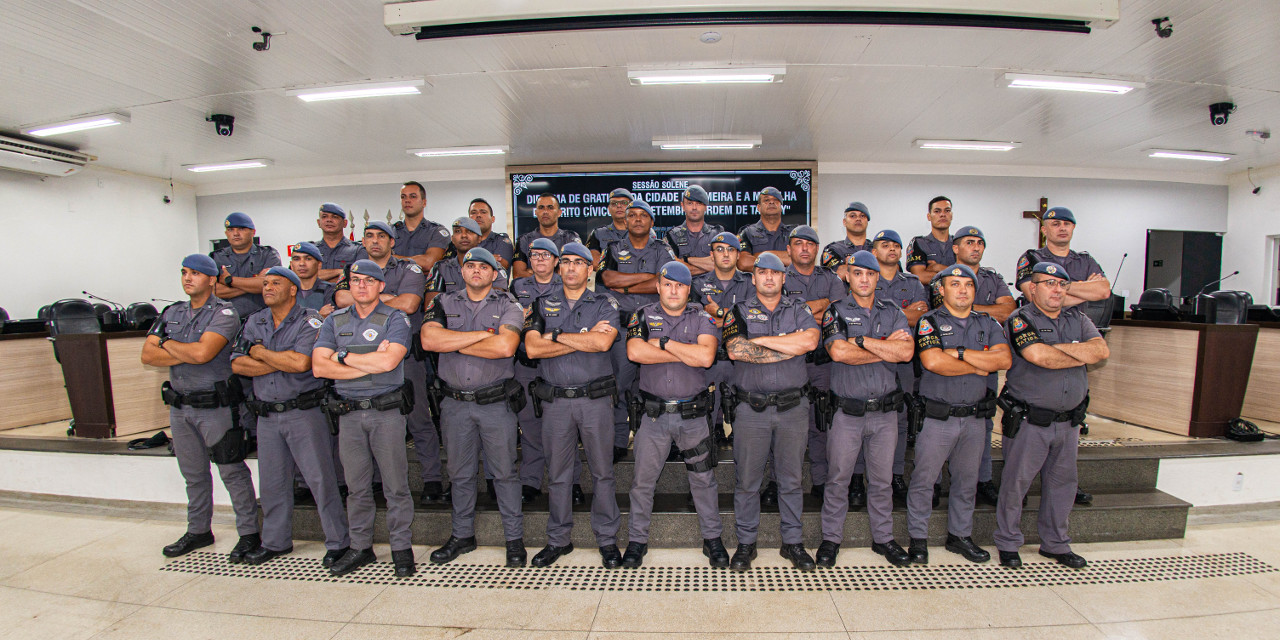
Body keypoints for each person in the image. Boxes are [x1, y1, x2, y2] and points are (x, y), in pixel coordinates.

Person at [231, 267, 349, 567]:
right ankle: (275, 542)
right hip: (267, 415)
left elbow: (301, 363)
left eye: (276, 283)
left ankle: (337, 542)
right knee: (272, 483)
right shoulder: (255, 320)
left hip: (304, 413)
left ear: (293, 289)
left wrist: (259, 352)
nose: (267, 287)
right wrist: (277, 359)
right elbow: (238, 364)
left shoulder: (310, 320)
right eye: (266, 283)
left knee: (320, 480)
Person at [143, 254, 259, 561]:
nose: (187, 278)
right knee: (193, 474)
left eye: (195, 273)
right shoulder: (171, 311)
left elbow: (203, 353)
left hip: (215, 407)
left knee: (231, 470)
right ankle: (198, 530)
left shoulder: (225, 313)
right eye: (183, 272)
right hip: (180, 408)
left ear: (211, 279)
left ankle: (248, 533)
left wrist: (166, 344)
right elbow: (147, 355)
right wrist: (184, 351)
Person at [994, 261, 1109, 569]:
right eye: (1048, 283)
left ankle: (1055, 543)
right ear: (1033, 287)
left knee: (1063, 484)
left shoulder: (1079, 318)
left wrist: (1058, 350)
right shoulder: (1020, 319)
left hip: (1069, 422)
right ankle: (1007, 542)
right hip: (1030, 421)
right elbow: (1037, 356)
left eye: (1061, 284)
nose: (1056, 289)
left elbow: (1100, 352)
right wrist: (1074, 350)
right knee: (1016, 483)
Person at [421, 248, 528, 567]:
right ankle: (462, 535)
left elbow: (505, 346)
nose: (477, 270)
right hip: (454, 404)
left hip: (495, 403)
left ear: (495, 274)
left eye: (485, 266)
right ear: (462, 271)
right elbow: (428, 341)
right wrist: (482, 335)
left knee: (505, 473)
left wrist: (452, 338)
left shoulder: (508, 303)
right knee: (460, 473)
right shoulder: (442, 302)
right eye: (471, 266)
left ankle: (514, 539)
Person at [312, 259, 416, 577]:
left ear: (381, 286)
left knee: (396, 487)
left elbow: (389, 363)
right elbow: (319, 367)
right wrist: (368, 358)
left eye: (369, 281)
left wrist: (342, 355)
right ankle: (360, 547)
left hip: (385, 414)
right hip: (349, 415)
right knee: (357, 488)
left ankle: (401, 549)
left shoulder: (395, 318)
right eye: (355, 280)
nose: (361, 285)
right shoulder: (335, 320)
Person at [523, 242, 624, 567]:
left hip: (594, 401)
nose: (569, 268)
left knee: (602, 473)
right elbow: (533, 350)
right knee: (558, 475)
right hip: (556, 404)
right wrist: (578, 337)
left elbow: (601, 342)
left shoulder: (605, 302)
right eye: (564, 262)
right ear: (558, 267)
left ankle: (607, 540)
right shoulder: (542, 304)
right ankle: (558, 540)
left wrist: (553, 336)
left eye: (577, 263)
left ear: (589, 268)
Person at [622, 262, 727, 569]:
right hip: (653, 417)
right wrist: (685, 352)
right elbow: (635, 353)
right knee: (642, 482)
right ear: (658, 286)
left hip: (693, 416)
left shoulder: (702, 317)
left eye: (679, 286)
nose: (673, 290)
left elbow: (706, 356)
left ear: (687, 289)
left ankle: (713, 540)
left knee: (704, 480)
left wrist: (664, 343)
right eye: (667, 284)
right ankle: (637, 542)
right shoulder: (641, 315)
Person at [721, 252, 821, 572]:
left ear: (783, 278)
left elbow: (810, 341)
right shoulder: (737, 310)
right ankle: (746, 544)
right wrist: (784, 344)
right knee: (747, 481)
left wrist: (760, 343)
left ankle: (792, 543)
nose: (767, 277)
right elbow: (736, 349)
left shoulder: (800, 309)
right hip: (752, 409)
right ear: (753, 278)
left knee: (791, 480)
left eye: (774, 273)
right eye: (761, 272)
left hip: (793, 408)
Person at [907, 264, 1011, 565]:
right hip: (938, 418)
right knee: (925, 480)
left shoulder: (988, 323)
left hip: (976, 419)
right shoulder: (929, 321)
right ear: (941, 290)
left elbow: (1003, 358)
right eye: (955, 284)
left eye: (968, 284)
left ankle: (960, 536)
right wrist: (981, 364)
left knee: (967, 481)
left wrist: (960, 354)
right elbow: (934, 362)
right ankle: (918, 538)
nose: (962, 289)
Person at [816, 250, 914, 568]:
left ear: (876, 277)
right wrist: (885, 346)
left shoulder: (892, 310)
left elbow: (907, 352)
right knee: (838, 478)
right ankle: (831, 539)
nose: (863, 279)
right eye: (857, 273)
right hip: (847, 413)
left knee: (882, 480)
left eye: (870, 274)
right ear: (847, 275)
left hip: (885, 414)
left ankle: (883, 539)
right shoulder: (835, 311)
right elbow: (839, 352)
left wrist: (862, 341)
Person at [334, 221, 443, 504]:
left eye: (381, 236)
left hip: (406, 359)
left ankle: (432, 479)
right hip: (360, 361)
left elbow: (409, 303)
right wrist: (386, 298)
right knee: (370, 418)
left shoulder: (410, 269)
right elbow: (340, 297)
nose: (375, 241)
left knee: (418, 417)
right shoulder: (353, 269)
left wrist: (365, 301)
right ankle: (376, 482)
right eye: (369, 236)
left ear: (392, 242)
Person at [1014, 206, 1110, 506]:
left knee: (1070, 413)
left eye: (1068, 224)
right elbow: (1034, 295)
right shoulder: (1031, 257)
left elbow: (1104, 291)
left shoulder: (1085, 259)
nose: (1062, 228)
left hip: (1076, 329)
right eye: (1055, 224)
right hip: (1040, 329)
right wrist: (1082, 289)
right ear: (1044, 228)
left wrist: (1060, 290)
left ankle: (1063, 487)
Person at [935, 227, 1016, 506]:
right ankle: (935, 483)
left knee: (981, 422)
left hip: (979, 371)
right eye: (969, 242)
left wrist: (972, 313)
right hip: (953, 374)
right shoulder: (945, 278)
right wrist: (979, 363)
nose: (976, 247)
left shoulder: (993, 278)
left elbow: (1007, 311)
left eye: (980, 242)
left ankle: (982, 480)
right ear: (955, 248)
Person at [850, 230, 929, 508]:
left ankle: (895, 474)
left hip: (902, 364)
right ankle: (857, 477)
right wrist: (893, 330)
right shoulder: (865, 279)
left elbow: (920, 318)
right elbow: (863, 323)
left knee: (899, 418)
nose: (892, 249)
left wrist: (879, 333)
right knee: (862, 415)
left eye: (896, 245)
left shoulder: (913, 281)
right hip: (869, 363)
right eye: (885, 245)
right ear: (874, 251)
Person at [598, 199, 678, 462]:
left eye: (643, 216)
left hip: (655, 330)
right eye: (632, 215)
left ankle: (659, 442)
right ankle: (619, 440)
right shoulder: (613, 248)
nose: (638, 219)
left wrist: (626, 286)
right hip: (622, 330)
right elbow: (608, 279)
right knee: (619, 386)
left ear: (652, 222)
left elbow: (666, 281)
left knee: (658, 387)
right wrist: (649, 280)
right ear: (626, 220)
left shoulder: (662, 249)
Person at [510, 238, 582, 504]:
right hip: (526, 365)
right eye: (534, 255)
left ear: (556, 262)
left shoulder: (566, 285)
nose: (539, 259)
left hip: (556, 365)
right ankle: (530, 480)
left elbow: (570, 327)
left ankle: (572, 481)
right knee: (529, 425)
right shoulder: (518, 286)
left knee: (565, 428)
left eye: (546, 255)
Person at [780, 225, 847, 502]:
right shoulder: (779, 278)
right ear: (789, 249)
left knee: (822, 422)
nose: (804, 248)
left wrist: (802, 314)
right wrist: (821, 306)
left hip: (822, 366)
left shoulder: (831, 278)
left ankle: (820, 480)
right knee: (784, 425)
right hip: (789, 364)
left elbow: (839, 315)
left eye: (810, 244)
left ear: (817, 250)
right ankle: (777, 482)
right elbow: (781, 319)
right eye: (798, 243)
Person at [691, 232, 754, 444]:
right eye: (720, 249)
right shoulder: (697, 284)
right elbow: (692, 320)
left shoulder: (751, 283)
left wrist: (718, 314)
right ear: (711, 255)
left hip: (743, 364)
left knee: (746, 428)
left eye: (731, 250)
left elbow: (756, 319)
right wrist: (735, 317)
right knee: (706, 427)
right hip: (710, 365)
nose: (725, 254)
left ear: (738, 255)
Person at [211, 212, 282, 321]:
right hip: (226, 321)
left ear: (253, 232)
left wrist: (229, 281)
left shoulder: (268, 254)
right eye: (230, 230)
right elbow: (214, 291)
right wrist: (256, 282)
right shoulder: (216, 257)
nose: (235, 233)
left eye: (241, 229)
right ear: (226, 233)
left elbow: (272, 286)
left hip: (263, 321)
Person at [424, 217, 510, 304]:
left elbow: (496, 304)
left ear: (479, 238)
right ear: (452, 239)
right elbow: (432, 306)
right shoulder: (441, 268)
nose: (464, 235)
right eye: (458, 231)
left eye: (469, 231)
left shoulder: (494, 267)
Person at [512, 193, 582, 279]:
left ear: (559, 212)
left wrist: (532, 272)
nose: (545, 212)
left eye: (550, 207)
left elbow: (575, 271)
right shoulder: (524, 240)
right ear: (536, 212)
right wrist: (556, 272)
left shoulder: (570, 238)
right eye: (541, 208)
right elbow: (518, 275)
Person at [663, 185, 724, 276]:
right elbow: (673, 269)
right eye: (690, 203)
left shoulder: (717, 234)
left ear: (706, 206)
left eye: (699, 203)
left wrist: (686, 259)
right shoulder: (671, 236)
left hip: (713, 289)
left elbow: (723, 264)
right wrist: (711, 267)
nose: (694, 208)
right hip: (683, 289)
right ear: (683, 206)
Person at [392, 181, 452, 272]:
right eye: (403, 197)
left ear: (424, 202)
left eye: (413, 196)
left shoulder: (436, 231)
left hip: (423, 285)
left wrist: (392, 259)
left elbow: (429, 263)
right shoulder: (390, 231)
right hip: (392, 285)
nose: (407, 200)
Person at [736, 187, 795, 272]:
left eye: (776, 200)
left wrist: (762, 255)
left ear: (781, 207)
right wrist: (782, 259)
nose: (771, 202)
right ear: (758, 208)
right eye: (766, 200)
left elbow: (799, 260)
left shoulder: (793, 233)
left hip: (787, 284)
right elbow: (743, 263)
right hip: (756, 285)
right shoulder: (747, 232)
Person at [821, 201, 874, 283]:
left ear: (867, 222)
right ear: (844, 222)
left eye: (862, 216)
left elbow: (892, 270)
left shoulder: (877, 247)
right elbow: (839, 274)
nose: (858, 219)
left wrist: (851, 265)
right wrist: (873, 265)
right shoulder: (833, 249)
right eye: (853, 216)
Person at [906, 196, 955, 284]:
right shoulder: (919, 243)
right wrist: (954, 272)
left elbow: (970, 273)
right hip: (926, 297)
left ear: (951, 215)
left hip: (956, 296)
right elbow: (920, 276)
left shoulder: (960, 243)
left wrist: (939, 267)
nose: (942, 214)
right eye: (937, 211)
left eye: (947, 211)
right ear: (929, 216)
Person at [314, 203, 366, 282]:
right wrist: (341, 271)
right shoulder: (311, 250)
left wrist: (320, 277)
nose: (329, 220)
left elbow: (359, 277)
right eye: (324, 216)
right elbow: (301, 278)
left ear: (345, 223)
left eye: (335, 217)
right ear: (318, 222)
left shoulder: (358, 249)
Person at [586, 188, 636, 266]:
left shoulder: (645, 232)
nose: (619, 206)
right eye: (614, 203)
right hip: (608, 277)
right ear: (609, 209)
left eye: (624, 203)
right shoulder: (598, 233)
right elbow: (593, 261)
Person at [289, 242, 336, 316]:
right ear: (291, 265)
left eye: (308, 259)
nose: (302, 264)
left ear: (319, 265)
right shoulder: (285, 291)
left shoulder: (330, 290)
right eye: (297, 259)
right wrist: (318, 316)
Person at [467, 198, 514, 269]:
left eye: (483, 212)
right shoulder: (462, 242)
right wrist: (490, 258)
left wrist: (469, 260)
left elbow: (501, 266)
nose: (478, 215)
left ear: (493, 219)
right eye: (474, 212)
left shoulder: (501, 241)